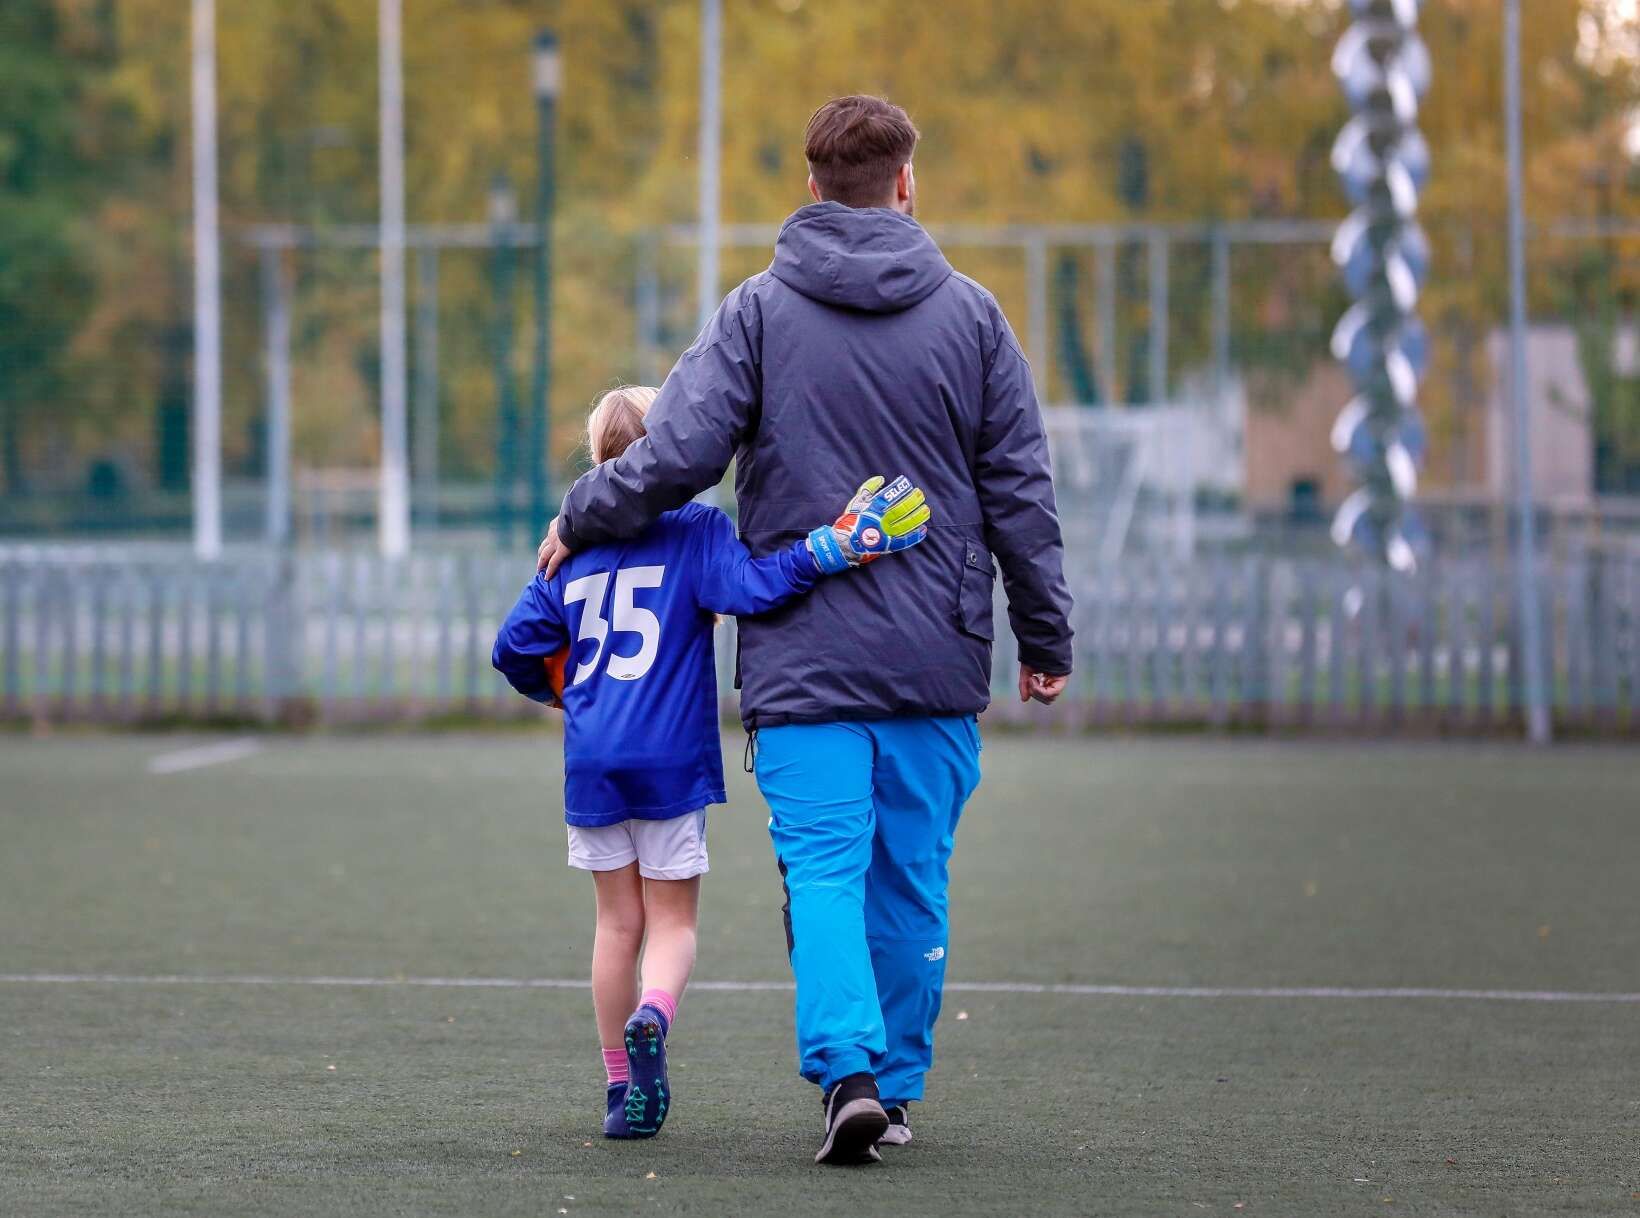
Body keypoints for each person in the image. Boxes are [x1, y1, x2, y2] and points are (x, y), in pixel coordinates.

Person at [536, 95, 1075, 1166]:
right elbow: (1019, 488)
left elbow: (674, 455)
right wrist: (1045, 634)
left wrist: (579, 514)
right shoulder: (973, 319)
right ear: (905, 182)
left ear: (813, 186)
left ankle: (848, 1076)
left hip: (804, 661)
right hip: (933, 656)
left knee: (823, 874)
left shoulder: (756, 312)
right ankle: (896, 1090)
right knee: (909, 881)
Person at [493, 385, 931, 1142]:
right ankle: (653, 1014)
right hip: (670, 759)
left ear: (597, 459)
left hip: (592, 760)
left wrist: (567, 695)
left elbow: (513, 649)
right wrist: (830, 547)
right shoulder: (696, 529)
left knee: (615, 925)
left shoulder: (570, 547)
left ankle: (619, 1086)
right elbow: (754, 589)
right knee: (672, 923)